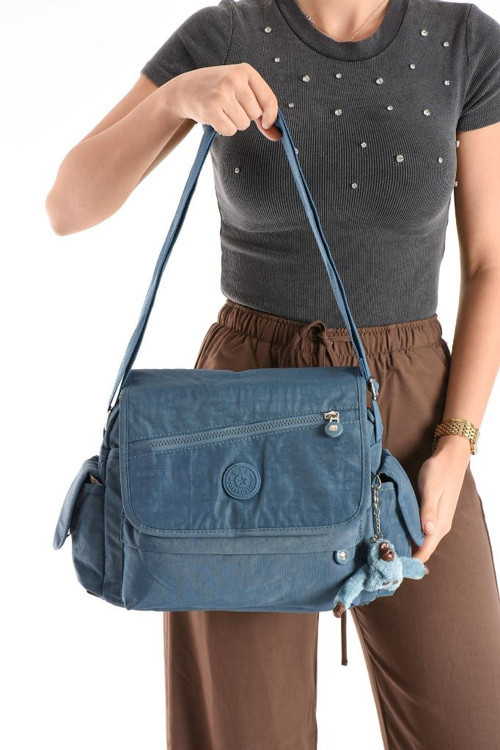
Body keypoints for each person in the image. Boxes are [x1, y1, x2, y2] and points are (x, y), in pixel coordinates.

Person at [45, 0, 500, 747]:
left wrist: (457, 441)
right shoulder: (224, 33)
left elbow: (489, 264)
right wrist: (175, 98)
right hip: (243, 417)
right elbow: (67, 207)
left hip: (413, 412)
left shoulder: (465, 42)